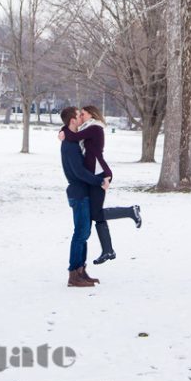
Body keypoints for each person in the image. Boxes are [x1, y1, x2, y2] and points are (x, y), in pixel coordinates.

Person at [59, 104, 141, 265]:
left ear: (91, 114)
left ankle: (131, 211)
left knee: (96, 214)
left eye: (83, 113)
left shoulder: (95, 127)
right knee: (95, 213)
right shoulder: (87, 127)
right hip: (93, 176)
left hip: (99, 174)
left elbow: (74, 136)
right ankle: (108, 250)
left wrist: (63, 132)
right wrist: (63, 129)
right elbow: (72, 130)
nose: (81, 116)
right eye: (79, 114)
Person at [59, 106, 109, 288]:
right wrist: (98, 181)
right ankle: (73, 274)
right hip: (78, 194)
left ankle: (81, 270)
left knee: (84, 233)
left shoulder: (73, 139)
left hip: (83, 193)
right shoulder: (69, 146)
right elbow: (79, 172)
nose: (82, 118)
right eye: (79, 115)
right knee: (80, 234)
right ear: (73, 120)